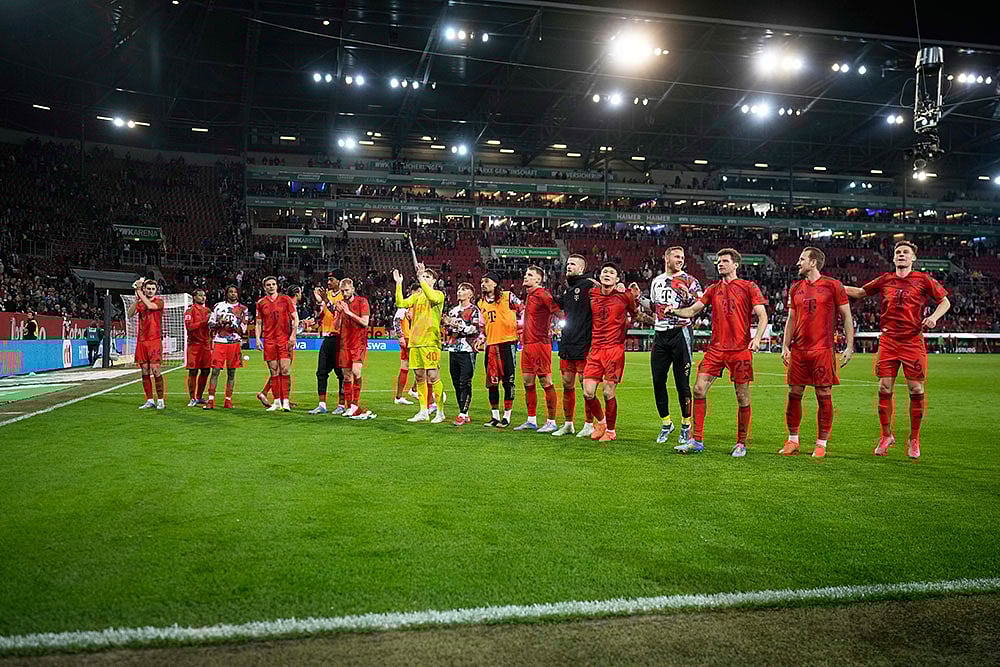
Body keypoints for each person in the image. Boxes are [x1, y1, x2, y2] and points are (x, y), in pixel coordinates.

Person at [845, 240, 951, 459]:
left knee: (915, 389)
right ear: (893, 258)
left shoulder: (923, 280)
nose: (901, 255)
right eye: (898, 252)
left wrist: (933, 318)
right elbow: (860, 292)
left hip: (912, 341)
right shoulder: (885, 280)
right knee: (884, 388)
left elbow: (945, 302)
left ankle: (914, 438)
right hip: (889, 340)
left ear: (913, 258)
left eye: (906, 252)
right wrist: (831, 285)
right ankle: (886, 436)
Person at [668, 248, 768, 457]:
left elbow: (762, 315)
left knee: (742, 396)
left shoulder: (748, 287)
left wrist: (757, 338)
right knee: (698, 389)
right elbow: (693, 310)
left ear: (735, 265)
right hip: (716, 349)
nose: (720, 264)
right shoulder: (712, 289)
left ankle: (741, 443)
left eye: (724, 261)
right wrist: (674, 311)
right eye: (718, 261)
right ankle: (697, 440)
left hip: (740, 349)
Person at [779, 247, 855, 458]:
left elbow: (847, 317)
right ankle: (793, 440)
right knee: (794, 394)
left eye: (802, 259)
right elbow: (791, 319)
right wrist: (785, 345)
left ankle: (821, 443)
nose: (798, 263)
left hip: (823, 349)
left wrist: (849, 346)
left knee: (823, 395)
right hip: (799, 350)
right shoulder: (795, 288)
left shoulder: (833, 286)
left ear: (813, 262)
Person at [640, 246, 703, 445]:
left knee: (681, 383)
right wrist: (638, 299)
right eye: (677, 256)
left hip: (681, 333)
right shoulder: (656, 281)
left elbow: (698, 305)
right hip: (660, 335)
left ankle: (686, 424)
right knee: (658, 381)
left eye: (683, 257)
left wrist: (686, 296)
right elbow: (654, 307)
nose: (681, 259)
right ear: (666, 258)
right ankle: (666, 423)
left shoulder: (690, 281)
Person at [582, 263, 639, 442]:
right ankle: (602, 422)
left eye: (612, 273)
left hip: (614, 349)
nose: (607, 274)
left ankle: (611, 432)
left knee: (608, 392)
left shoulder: (624, 296)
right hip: (595, 349)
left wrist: (630, 292)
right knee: (588, 392)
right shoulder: (592, 293)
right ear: (600, 276)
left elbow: (635, 313)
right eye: (605, 272)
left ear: (617, 279)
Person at [551, 254, 602, 438]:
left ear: (581, 268)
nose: (568, 266)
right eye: (568, 263)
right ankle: (568, 424)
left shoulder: (589, 285)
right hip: (567, 343)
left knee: (585, 386)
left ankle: (589, 424)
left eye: (572, 264)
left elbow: (605, 292)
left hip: (584, 344)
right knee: (567, 384)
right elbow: (560, 307)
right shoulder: (568, 288)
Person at [393, 263, 446, 423]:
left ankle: (440, 412)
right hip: (415, 342)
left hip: (430, 341)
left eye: (428, 277)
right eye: (424, 276)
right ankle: (423, 410)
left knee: (432, 375)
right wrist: (399, 284)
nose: (424, 278)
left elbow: (431, 297)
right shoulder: (416, 296)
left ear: (434, 280)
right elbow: (400, 303)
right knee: (419, 376)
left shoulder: (438, 295)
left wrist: (420, 278)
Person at [514, 266, 561, 432]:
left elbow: (559, 312)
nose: (526, 276)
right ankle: (531, 420)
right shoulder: (529, 296)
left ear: (538, 280)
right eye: (526, 273)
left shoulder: (543, 294)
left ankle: (551, 421)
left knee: (545, 381)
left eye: (530, 275)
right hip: (527, 345)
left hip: (540, 344)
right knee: (528, 382)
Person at [478, 270, 522, 428]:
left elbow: (523, 310)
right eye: (482, 282)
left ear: (495, 283)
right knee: (492, 382)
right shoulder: (481, 302)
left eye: (487, 281)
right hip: (491, 345)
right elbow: (483, 326)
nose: (483, 284)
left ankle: (507, 417)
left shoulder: (508, 296)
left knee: (508, 381)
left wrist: (520, 327)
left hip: (507, 343)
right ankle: (495, 416)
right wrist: (481, 338)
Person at [255, 276, 299, 412]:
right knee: (274, 371)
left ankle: (285, 401)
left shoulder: (285, 299)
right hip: (269, 340)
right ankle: (276, 402)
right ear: (264, 287)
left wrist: (293, 335)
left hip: (284, 339)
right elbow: (258, 323)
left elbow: (295, 319)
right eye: (268, 285)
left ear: (277, 286)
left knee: (285, 370)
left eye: (273, 284)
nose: (271, 286)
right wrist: (257, 339)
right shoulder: (261, 303)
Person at [204, 285, 249, 410]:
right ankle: (211, 400)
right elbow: (210, 325)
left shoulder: (243, 309)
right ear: (226, 293)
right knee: (215, 371)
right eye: (230, 292)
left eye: (235, 292)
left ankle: (228, 400)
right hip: (219, 342)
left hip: (234, 343)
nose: (233, 294)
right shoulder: (218, 306)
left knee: (231, 373)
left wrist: (233, 324)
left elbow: (243, 331)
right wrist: (220, 323)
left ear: (238, 294)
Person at [444, 282, 482, 425]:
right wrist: (449, 326)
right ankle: (464, 412)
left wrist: (458, 325)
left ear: (470, 295)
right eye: (459, 289)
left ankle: (462, 413)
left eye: (464, 289)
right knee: (455, 382)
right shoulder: (453, 310)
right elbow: (449, 331)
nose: (460, 291)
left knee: (464, 381)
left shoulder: (474, 310)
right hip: (454, 349)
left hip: (467, 349)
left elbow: (474, 329)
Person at [309, 271, 346, 415]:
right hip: (327, 337)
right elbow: (325, 313)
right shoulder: (327, 295)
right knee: (321, 372)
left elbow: (336, 312)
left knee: (341, 373)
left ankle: (341, 405)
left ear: (339, 281)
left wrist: (325, 299)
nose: (328, 282)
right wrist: (314, 319)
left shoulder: (344, 295)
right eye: (328, 280)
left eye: (331, 279)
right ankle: (322, 404)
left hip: (340, 338)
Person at [127, 279, 166, 410]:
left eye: (152, 289)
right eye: (148, 288)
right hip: (142, 341)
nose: (150, 291)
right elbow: (129, 314)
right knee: (144, 370)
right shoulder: (141, 302)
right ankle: (149, 400)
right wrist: (136, 298)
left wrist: (139, 291)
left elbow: (151, 306)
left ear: (156, 290)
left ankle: (160, 400)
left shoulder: (159, 302)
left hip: (154, 340)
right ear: (145, 289)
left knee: (155, 370)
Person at [336, 278, 371, 418]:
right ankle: (350, 406)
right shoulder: (340, 304)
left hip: (358, 343)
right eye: (342, 291)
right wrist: (339, 314)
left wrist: (348, 312)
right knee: (346, 376)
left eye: (346, 290)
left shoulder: (362, 302)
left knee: (356, 372)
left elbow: (365, 322)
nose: (344, 293)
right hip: (345, 344)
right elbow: (336, 326)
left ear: (352, 289)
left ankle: (355, 404)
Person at [183, 289, 212, 407]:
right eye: (200, 295)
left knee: (206, 371)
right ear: (194, 297)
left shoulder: (208, 310)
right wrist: (204, 321)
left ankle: (199, 397)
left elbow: (211, 327)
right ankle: (192, 398)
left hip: (205, 345)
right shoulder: (189, 311)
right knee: (193, 371)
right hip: (193, 345)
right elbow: (189, 327)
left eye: (204, 295)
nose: (203, 297)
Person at [392, 283, 420, 405]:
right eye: (418, 292)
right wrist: (401, 337)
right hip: (408, 339)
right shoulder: (405, 305)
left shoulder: (417, 306)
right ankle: (404, 395)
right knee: (409, 367)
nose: (420, 294)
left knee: (418, 367)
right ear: (412, 292)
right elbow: (396, 320)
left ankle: (409, 392)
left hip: (416, 339)